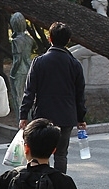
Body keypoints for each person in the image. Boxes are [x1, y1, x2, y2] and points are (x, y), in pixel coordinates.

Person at [19, 22, 87, 174]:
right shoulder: (74, 64)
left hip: (43, 115)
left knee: (41, 152)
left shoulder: (39, 62)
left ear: (50, 38)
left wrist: (24, 114)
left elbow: (29, 91)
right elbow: (80, 94)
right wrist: (80, 117)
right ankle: (59, 184)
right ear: (68, 40)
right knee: (61, 154)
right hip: (66, 115)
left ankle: (41, 182)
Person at [9, 13, 34, 121]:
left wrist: (12, 74)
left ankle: (22, 123)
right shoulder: (29, 39)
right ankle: (30, 120)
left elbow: (17, 60)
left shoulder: (16, 41)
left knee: (19, 98)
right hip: (29, 68)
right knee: (29, 97)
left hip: (20, 71)